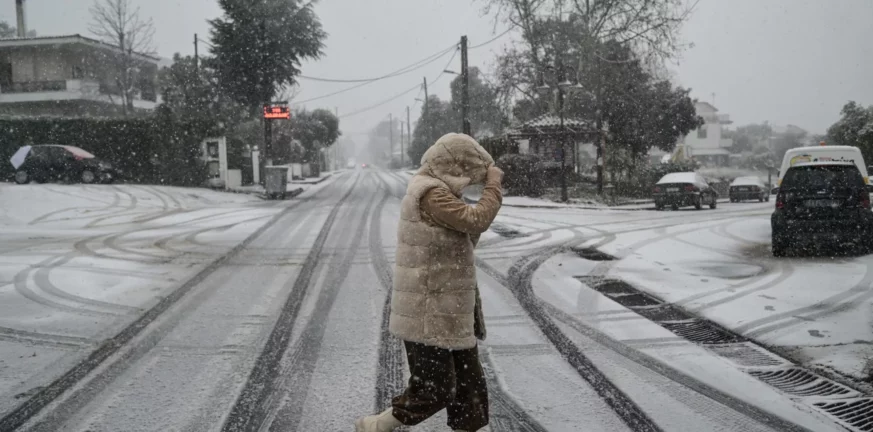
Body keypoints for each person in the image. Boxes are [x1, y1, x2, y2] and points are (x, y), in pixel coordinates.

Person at [356, 133, 504, 432]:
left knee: (470, 389)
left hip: (449, 308)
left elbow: (464, 236)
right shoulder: (430, 193)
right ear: (455, 165)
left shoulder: (440, 191)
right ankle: (377, 426)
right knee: (435, 388)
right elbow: (475, 220)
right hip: (428, 311)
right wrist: (494, 185)